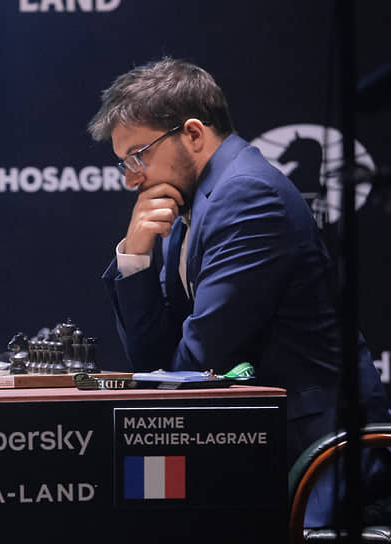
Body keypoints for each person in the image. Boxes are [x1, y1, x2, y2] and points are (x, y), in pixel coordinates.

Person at [89, 57, 390, 527]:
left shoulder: (245, 195)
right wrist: (134, 254)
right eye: (124, 162)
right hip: (251, 440)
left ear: (193, 133)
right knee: (131, 493)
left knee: (140, 501)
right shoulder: (189, 201)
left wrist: (167, 372)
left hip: (315, 455)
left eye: (138, 156)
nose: (130, 178)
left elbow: (195, 364)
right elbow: (154, 361)